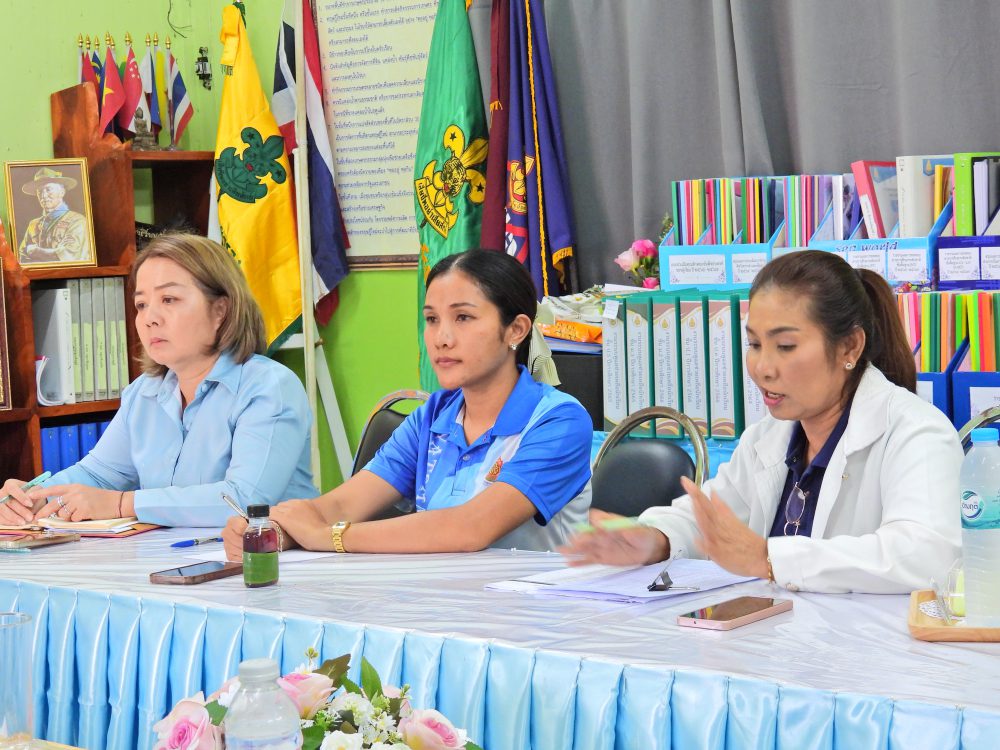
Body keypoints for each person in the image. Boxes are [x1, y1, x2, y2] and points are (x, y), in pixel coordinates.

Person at [560, 250, 962, 594]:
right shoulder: (768, 437)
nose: (762, 368)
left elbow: (927, 555)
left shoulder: (915, 432)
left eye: (785, 346)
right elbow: (713, 521)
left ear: (850, 347)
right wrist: (654, 539)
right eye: (754, 343)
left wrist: (769, 558)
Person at [222, 249, 593, 558]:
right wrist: (272, 531)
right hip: (438, 602)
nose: (441, 338)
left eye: (463, 317)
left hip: (533, 612)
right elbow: (340, 506)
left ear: (516, 330)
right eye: (431, 319)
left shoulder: (558, 420)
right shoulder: (432, 416)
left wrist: (329, 536)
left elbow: (471, 528)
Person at [0, 233, 317, 528]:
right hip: (177, 558)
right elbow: (98, 475)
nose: (149, 318)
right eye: (141, 304)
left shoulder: (269, 386)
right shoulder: (143, 392)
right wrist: (31, 497)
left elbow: (245, 501)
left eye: (169, 299)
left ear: (220, 310)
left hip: (271, 559)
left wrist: (123, 504)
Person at [17, 167, 92, 265]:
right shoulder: (33, 224)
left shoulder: (78, 221)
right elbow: (22, 259)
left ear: (62, 192)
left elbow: (69, 257)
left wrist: (36, 252)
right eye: (40, 192)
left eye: (48, 190)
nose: (43, 196)